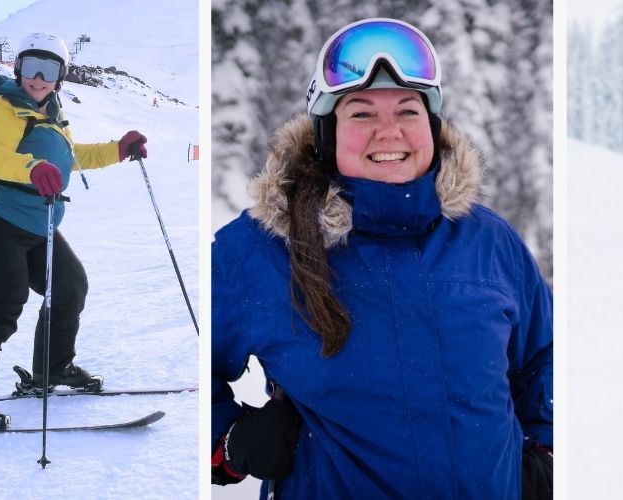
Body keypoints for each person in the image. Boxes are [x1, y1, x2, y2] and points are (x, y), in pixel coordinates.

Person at [209, 18, 553, 498]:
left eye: (409, 111)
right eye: (362, 114)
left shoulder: (490, 243)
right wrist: (227, 438)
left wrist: (548, 452)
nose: (389, 133)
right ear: (327, 131)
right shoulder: (262, 249)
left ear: (431, 126)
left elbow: (544, 357)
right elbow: (190, 357)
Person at [0, 32, 149, 428]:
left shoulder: (50, 113)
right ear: (18, 67)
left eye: (49, 70)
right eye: (31, 66)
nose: (39, 77)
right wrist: (31, 168)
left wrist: (119, 148)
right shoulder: (2, 106)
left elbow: (71, 156)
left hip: (34, 223)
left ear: (60, 76)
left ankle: (53, 369)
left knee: (69, 286)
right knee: (2, 303)